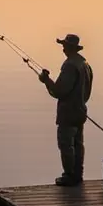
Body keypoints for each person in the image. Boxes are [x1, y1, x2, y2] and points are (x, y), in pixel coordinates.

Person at [38, 33, 94, 186]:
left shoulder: (70, 65)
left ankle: (69, 175)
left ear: (70, 48)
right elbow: (87, 90)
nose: (63, 48)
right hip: (81, 110)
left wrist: (46, 80)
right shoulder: (84, 63)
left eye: (64, 46)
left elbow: (59, 91)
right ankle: (78, 174)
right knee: (78, 143)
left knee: (66, 144)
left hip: (69, 112)